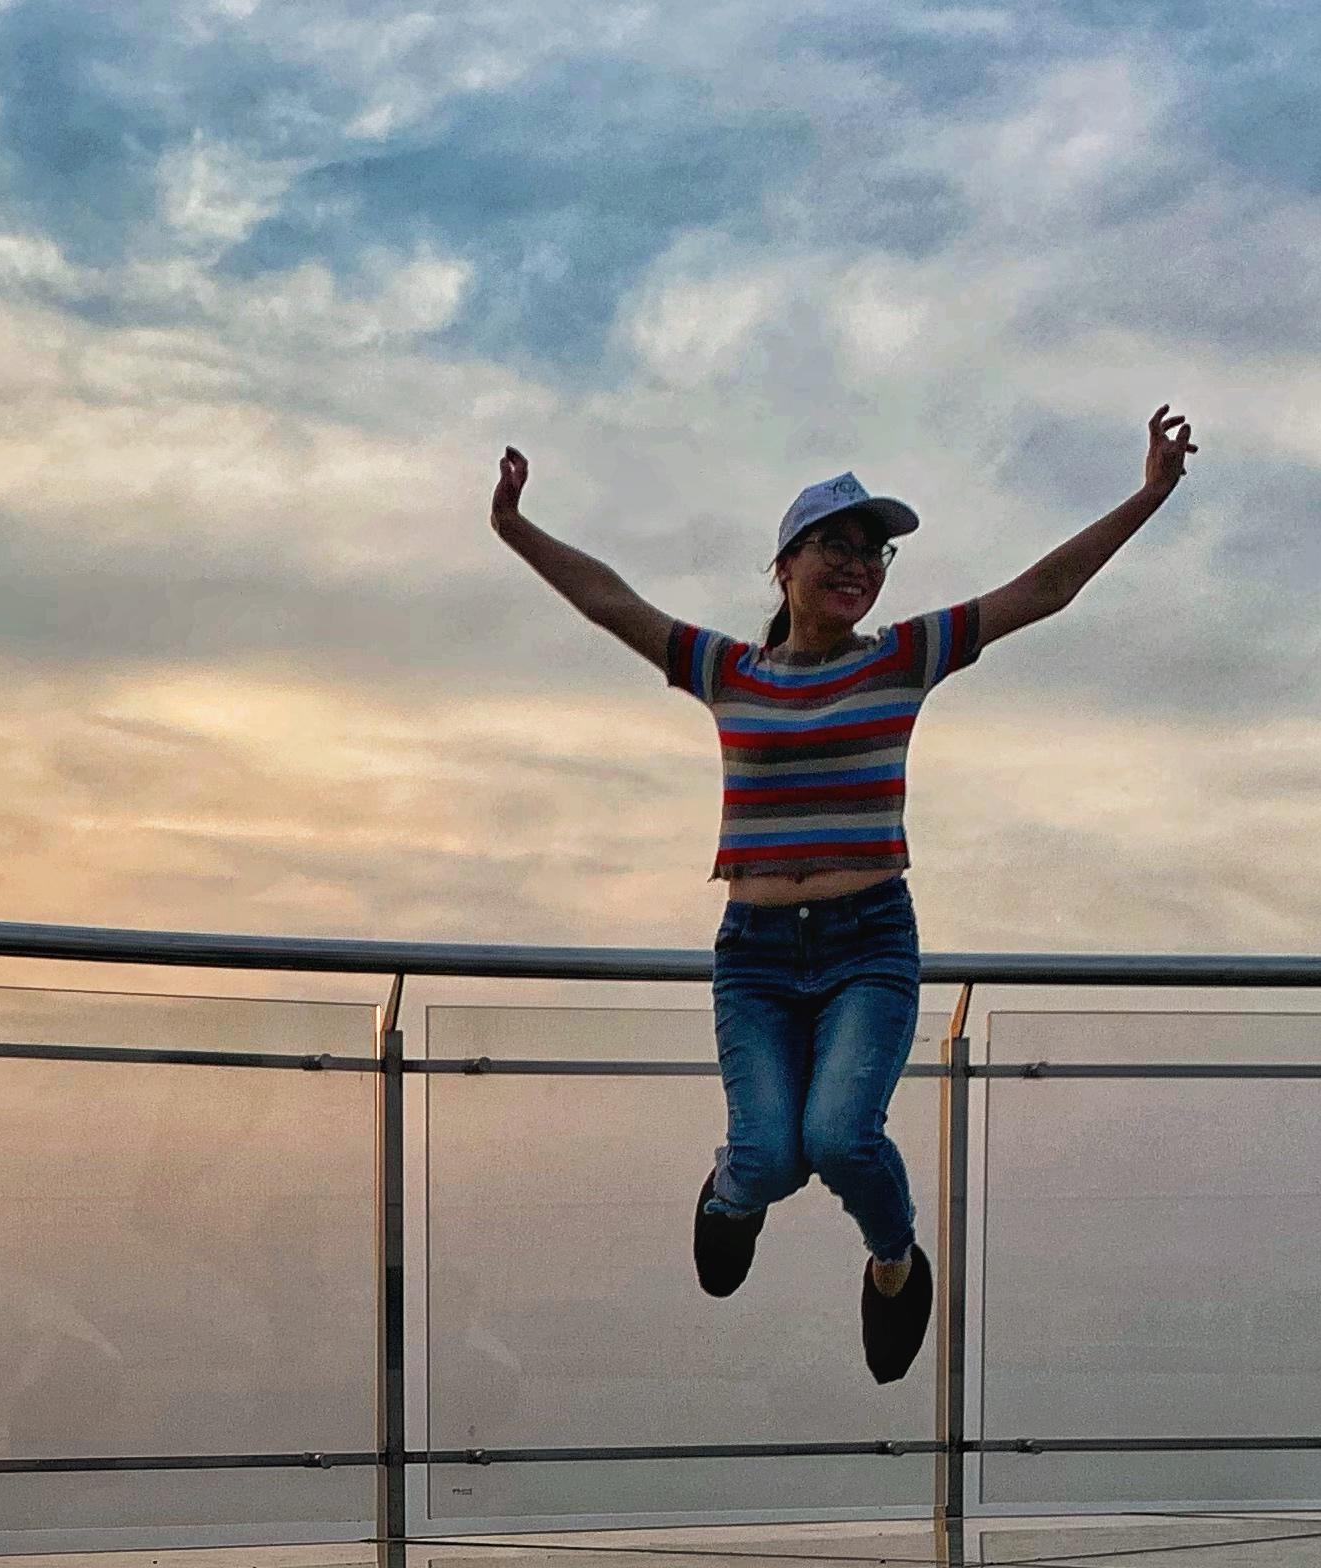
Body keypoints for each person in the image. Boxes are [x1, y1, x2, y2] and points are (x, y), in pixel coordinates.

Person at [490, 413, 1199, 1381]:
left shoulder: (903, 656)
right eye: (836, 544)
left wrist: (1151, 492)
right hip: (756, 950)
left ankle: (896, 1263)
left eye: (875, 552)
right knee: (772, 1160)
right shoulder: (724, 669)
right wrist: (516, 527)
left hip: (869, 941)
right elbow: (610, 601)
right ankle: (731, 1196)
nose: (858, 563)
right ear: (784, 565)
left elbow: (1045, 589)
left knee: (838, 1137)